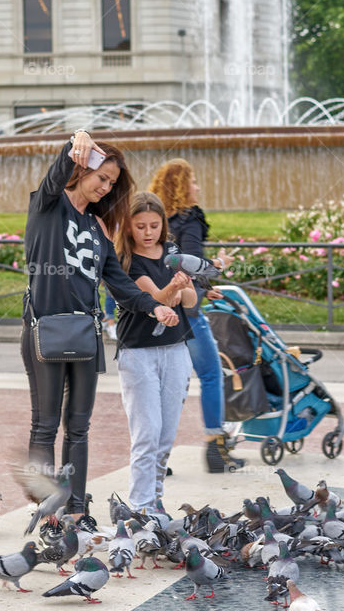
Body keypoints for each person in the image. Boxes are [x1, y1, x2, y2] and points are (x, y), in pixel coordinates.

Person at [22, 129, 179, 518]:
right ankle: (47, 510)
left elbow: (120, 282)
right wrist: (78, 142)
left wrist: (153, 307)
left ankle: (76, 509)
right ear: (83, 168)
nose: (106, 188)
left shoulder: (97, 228)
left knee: (79, 426)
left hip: (85, 335)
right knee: (45, 425)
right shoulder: (47, 206)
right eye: (101, 178)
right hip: (46, 331)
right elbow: (57, 174)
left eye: (111, 183)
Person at [148, 158, 245, 473]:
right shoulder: (190, 218)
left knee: (168, 385)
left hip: (158, 308)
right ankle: (216, 450)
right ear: (181, 186)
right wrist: (215, 266)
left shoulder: (155, 222)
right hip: (187, 313)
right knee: (211, 375)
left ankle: (158, 458)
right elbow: (188, 261)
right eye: (193, 181)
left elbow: (166, 263)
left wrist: (205, 286)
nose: (198, 187)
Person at [113, 191, 196, 511]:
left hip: (176, 350)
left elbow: (191, 302)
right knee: (147, 435)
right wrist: (174, 288)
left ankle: (156, 501)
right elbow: (154, 300)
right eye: (140, 226)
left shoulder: (173, 251)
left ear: (163, 224)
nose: (148, 233)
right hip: (139, 353)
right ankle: (141, 507)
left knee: (165, 437)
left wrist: (184, 288)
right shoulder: (126, 261)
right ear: (128, 227)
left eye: (154, 225)